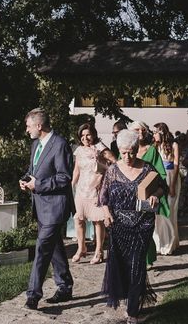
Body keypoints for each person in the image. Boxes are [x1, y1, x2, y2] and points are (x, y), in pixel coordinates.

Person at [99, 129, 168, 324]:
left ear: (137, 149)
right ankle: (127, 297)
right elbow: (103, 197)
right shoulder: (113, 170)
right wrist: (106, 214)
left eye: (131, 151)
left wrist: (156, 195)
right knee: (121, 264)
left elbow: (163, 187)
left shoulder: (147, 169)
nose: (127, 156)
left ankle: (132, 311)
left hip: (142, 224)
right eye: (123, 152)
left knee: (137, 265)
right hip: (118, 225)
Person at [19, 108, 74, 310]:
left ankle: (33, 296)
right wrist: (26, 180)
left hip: (55, 208)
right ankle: (65, 287)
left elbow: (63, 178)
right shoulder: (36, 144)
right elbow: (33, 171)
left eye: (28, 126)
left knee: (42, 249)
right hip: (40, 207)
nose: (27, 130)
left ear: (39, 125)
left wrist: (38, 185)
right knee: (55, 248)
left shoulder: (60, 145)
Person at [71, 123, 116, 264]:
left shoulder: (100, 148)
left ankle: (99, 251)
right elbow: (76, 170)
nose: (85, 138)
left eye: (88, 134)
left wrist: (105, 173)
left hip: (96, 189)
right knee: (78, 219)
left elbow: (115, 162)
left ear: (94, 134)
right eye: (82, 135)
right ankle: (81, 248)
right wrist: (71, 185)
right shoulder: (79, 150)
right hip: (81, 189)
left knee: (98, 221)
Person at [127, 121, 169, 266]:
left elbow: (161, 175)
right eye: (137, 130)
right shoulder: (125, 150)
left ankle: (147, 259)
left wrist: (155, 194)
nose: (140, 133)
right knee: (130, 228)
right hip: (129, 196)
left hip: (147, 196)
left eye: (143, 130)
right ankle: (133, 259)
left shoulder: (151, 150)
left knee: (144, 228)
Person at [152, 122, 180, 254]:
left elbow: (176, 166)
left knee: (169, 210)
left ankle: (170, 243)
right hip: (159, 179)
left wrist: (172, 185)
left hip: (170, 177)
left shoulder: (174, 145)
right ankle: (160, 242)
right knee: (158, 212)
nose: (153, 135)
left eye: (155, 132)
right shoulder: (155, 147)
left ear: (161, 132)